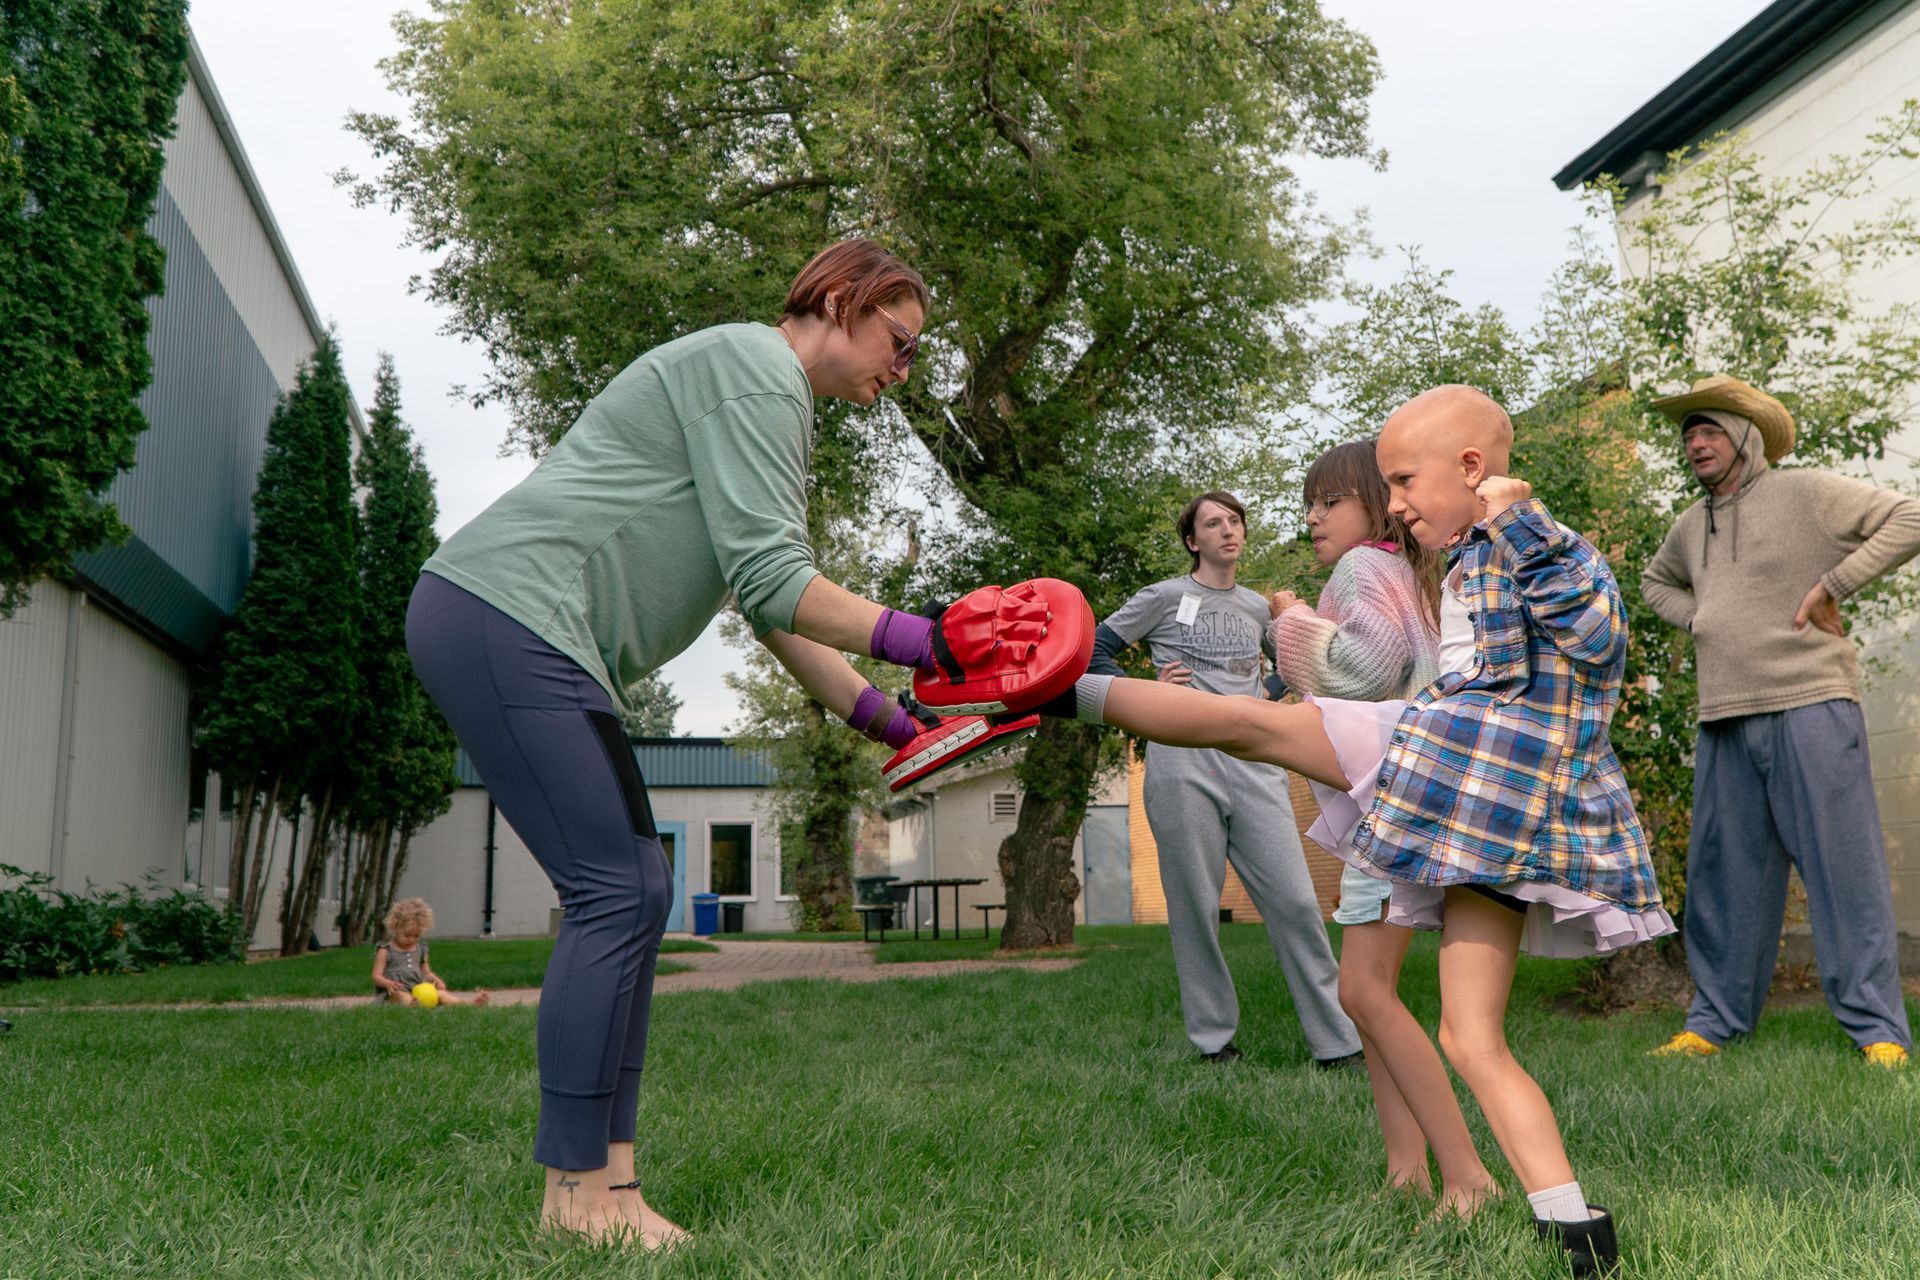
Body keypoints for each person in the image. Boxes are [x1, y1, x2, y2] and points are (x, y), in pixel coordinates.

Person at [407, 240, 1066, 1249]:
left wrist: (897, 719)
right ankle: (573, 1192)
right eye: (899, 340)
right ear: (841, 301)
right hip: (504, 614)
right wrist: (924, 634)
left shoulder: (759, 394)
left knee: (635, 888)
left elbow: (776, 609)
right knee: (616, 890)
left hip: (540, 637)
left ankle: (612, 1192)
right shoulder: (755, 373)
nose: (905, 368)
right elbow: (773, 581)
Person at [1036, 386, 1671, 1275]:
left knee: (1254, 727)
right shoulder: (1458, 562)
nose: (1396, 503)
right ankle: (1577, 1233)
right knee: (1470, 1038)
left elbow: (1600, 640)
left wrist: (1518, 521)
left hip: (1484, 771)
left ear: (1476, 469)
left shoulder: (1529, 541)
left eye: (1405, 480)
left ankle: (1050, 690)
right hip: (1482, 802)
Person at [1641, 375, 1920, 1069]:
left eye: (1707, 430)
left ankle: (1877, 1030)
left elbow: (1910, 516)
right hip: (1725, 717)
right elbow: (1654, 583)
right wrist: (1699, 617)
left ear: (1745, 436)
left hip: (1812, 704)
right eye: (1687, 435)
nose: (1695, 444)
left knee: (1842, 871)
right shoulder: (1690, 524)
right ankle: (1715, 1022)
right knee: (1725, 878)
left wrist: (1835, 584)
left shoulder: (1804, 493)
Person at [1268, 440, 1494, 1213]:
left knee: (1363, 990)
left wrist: (1291, 622)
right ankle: (1406, 1173)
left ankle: (1466, 1176)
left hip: (1387, 809)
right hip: (1415, 802)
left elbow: (1360, 671)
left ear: (1369, 502)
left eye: (1328, 500)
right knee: (1370, 992)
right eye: (1310, 503)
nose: (1312, 516)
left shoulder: (1363, 570)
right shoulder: (1411, 574)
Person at [1090, 490, 1361, 1068]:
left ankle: (1338, 1043)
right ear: (1193, 541)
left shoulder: (1259, 609)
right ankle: (1214, 1042)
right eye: (1213, 523)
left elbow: (1294, 665)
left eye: (1234, 521)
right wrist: (1149, 693)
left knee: (1294, 901)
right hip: (1182, 760)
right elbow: (1093, 651)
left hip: (1254, 763)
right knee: (1195, 905)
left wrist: (1267, 698)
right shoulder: (1164, 597)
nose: (1227, 531)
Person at [372, 898, 490, 1006]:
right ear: (395, 927)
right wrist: (387, 983)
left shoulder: (420, 950)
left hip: (419, 988)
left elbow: (426, 973)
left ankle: (467, 1004)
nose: (411, 939)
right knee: (401, 996)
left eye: (416, 936)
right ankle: (411, 1005)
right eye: (407, 935)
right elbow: (376, 976)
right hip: (395, 990)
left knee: (441, 994)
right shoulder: (385, 950)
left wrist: (435, 980)